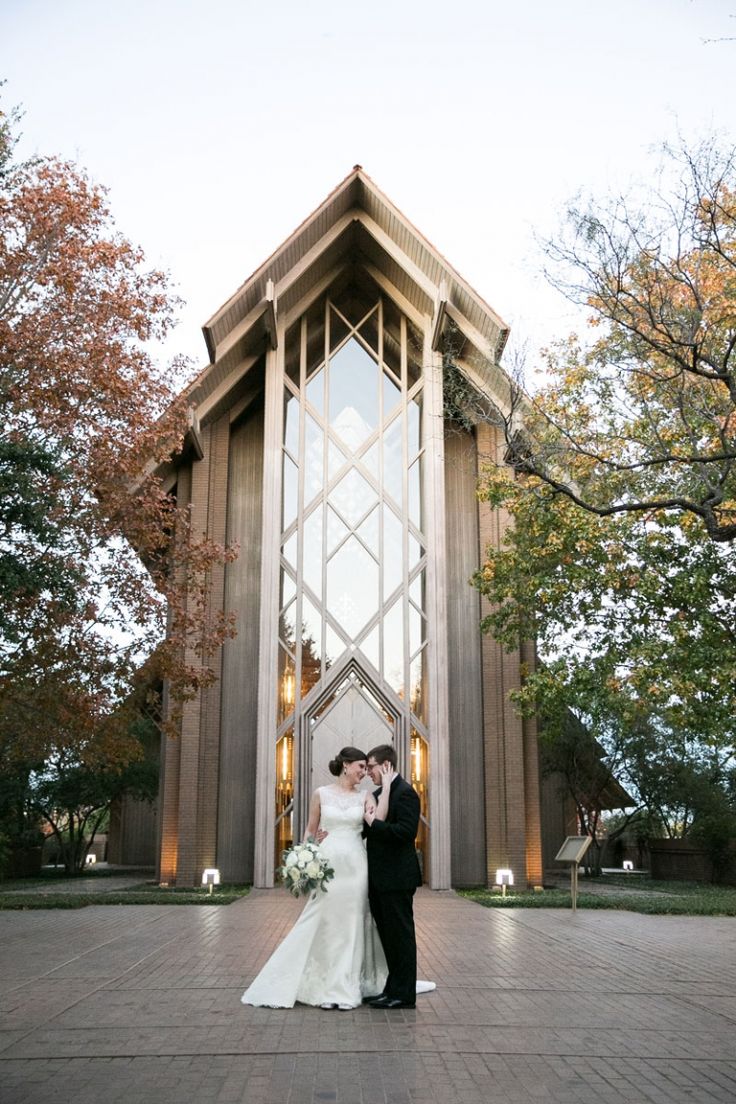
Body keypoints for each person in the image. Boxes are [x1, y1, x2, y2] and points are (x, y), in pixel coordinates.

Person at [241, 747, 387, 1010]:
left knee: (352, 923)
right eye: (361, 767)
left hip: (356, 867)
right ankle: (319, 982)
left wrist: (385, 788)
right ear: (346, 765)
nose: (364, 773)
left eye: (367, 768)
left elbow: (380, 822)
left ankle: (344, 987)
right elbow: (310, 831)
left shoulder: (366, 796)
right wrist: (307, 854)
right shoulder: (321, 794)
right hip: (327, 867)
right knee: (324, 921)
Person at [362, 743, 423, 1009]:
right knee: (388, 938)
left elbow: (405, 833)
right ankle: (391, 988)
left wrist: (374, 825)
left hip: (398, 879)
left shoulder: (406, 793)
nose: (368, 773)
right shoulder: (379, 793)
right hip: (378, 881)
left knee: (401, 937)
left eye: (372, 767)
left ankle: (404, 995)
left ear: (386, 765)